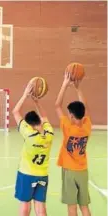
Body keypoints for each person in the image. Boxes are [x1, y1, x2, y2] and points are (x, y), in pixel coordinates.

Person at [12, 83, 54, 216]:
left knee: (25, 204)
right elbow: (45, 117)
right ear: (40, 122)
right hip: (42, 174)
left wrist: (25, 94)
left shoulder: (29, 134)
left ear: (29, 125)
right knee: (40, 205)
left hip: (26, 174)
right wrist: (37, 102)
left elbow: (15, 112)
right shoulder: (49, 133)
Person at [55, 72, 91, 216]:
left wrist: (65, 83)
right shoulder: (87, 126)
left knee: (72, 207)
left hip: (70, 171)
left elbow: (57, 105)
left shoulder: (67, 127)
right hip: (83, 170)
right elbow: (86, 109)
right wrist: (78, 88)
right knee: (84, 206)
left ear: (70, 115)